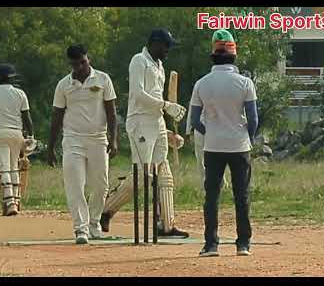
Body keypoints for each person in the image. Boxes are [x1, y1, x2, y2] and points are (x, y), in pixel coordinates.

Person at [100, 29, 189, 238]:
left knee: (164, 174)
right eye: (166, 46)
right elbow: (139, 95)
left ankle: (166, 226)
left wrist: (167, 128)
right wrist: (168, 105)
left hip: (156, 121)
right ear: (155, 43)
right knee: (143, 175)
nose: (168, 50)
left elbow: (155, 102)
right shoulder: (138, 61)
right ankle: (106, 210)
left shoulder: (160, 66)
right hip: (139, 122)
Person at [190, 29, 258, 257]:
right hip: (239, 146)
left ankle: (211, 244)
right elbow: (254, 118)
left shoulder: (201, 84)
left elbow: (194, 120)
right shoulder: (245, 83)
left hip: (213, 146)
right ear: (234, 55)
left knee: (212, 196)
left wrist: (210, 132)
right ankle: (243, 244)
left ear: (213, 55)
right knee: (242, 195)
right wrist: (247, 136)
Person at [47, 44, 118, 245]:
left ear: (88, 59)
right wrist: (51, 148)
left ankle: (94, 223)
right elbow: (56, 117)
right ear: (70, 63)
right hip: (73, 140)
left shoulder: (103, 79)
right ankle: (81, 228)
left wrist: (113, 140)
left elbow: (111, 112)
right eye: (76, 64)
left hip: (98, 139)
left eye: (84, 62)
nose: (81, 67)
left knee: (101, 184)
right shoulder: (64, 85)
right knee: (75, 185)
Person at [0, 63, 34, 216]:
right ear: (12, 78)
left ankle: (10, 202)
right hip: (17, 134)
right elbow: (27, 118)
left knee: (4, 168)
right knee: (13, 166)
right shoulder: (20, 93)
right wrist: (30, 136)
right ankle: (16, 201)